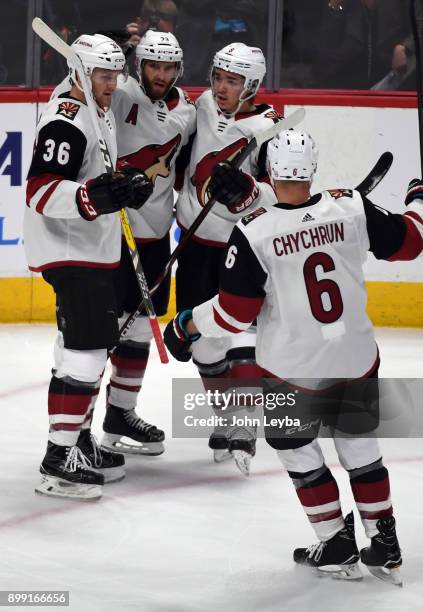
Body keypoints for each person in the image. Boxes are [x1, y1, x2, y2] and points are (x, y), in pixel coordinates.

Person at [164, 129, 423, 582]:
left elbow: (232, 314)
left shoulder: (253, 232)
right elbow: (411, 242)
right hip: (355, 355)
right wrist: (419, 200)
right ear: (312, 169)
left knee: (295, 447)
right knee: (360, 446)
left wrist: (186, 323)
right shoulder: (351, 207)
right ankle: (384, 543)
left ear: (267, 172)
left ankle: (335, 543)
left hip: (293, 370)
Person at [24, 34, 153, 500]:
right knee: (87, 351)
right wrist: (92, 197)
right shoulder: (67, 119)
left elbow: (93, 179)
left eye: (116, 73)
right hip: (69, 248)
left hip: (89, 246)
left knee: (80, 349)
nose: (113, 83)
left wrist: (123, 185)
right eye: (103, 74)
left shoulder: (96, 108)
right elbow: (40, 191)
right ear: (79, 70)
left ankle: (76, 440)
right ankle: (58, 460)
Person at [175, 42, 280, 474]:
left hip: (242, 249)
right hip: (196, 243)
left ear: (251, 85)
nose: (220, 87)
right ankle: (226, 418)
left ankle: (244, 424)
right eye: (218, 77)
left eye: (232, 81)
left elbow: (286, 197)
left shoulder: (271, 127)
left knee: (240, 333)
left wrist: (252, 192)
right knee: (204, 341)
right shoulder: (200, 104)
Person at [96, 29, 196, 456]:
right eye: (153, 64)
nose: (160, 73)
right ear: (139, 65)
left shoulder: (188, 111)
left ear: (178, 69)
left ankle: (121, 411)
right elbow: (89, 81)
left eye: (168, 66)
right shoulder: (119, 95)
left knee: (137, 331)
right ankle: (79, 428)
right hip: (111, 233)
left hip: (156, 236)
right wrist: (113, 41)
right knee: (97, 333)